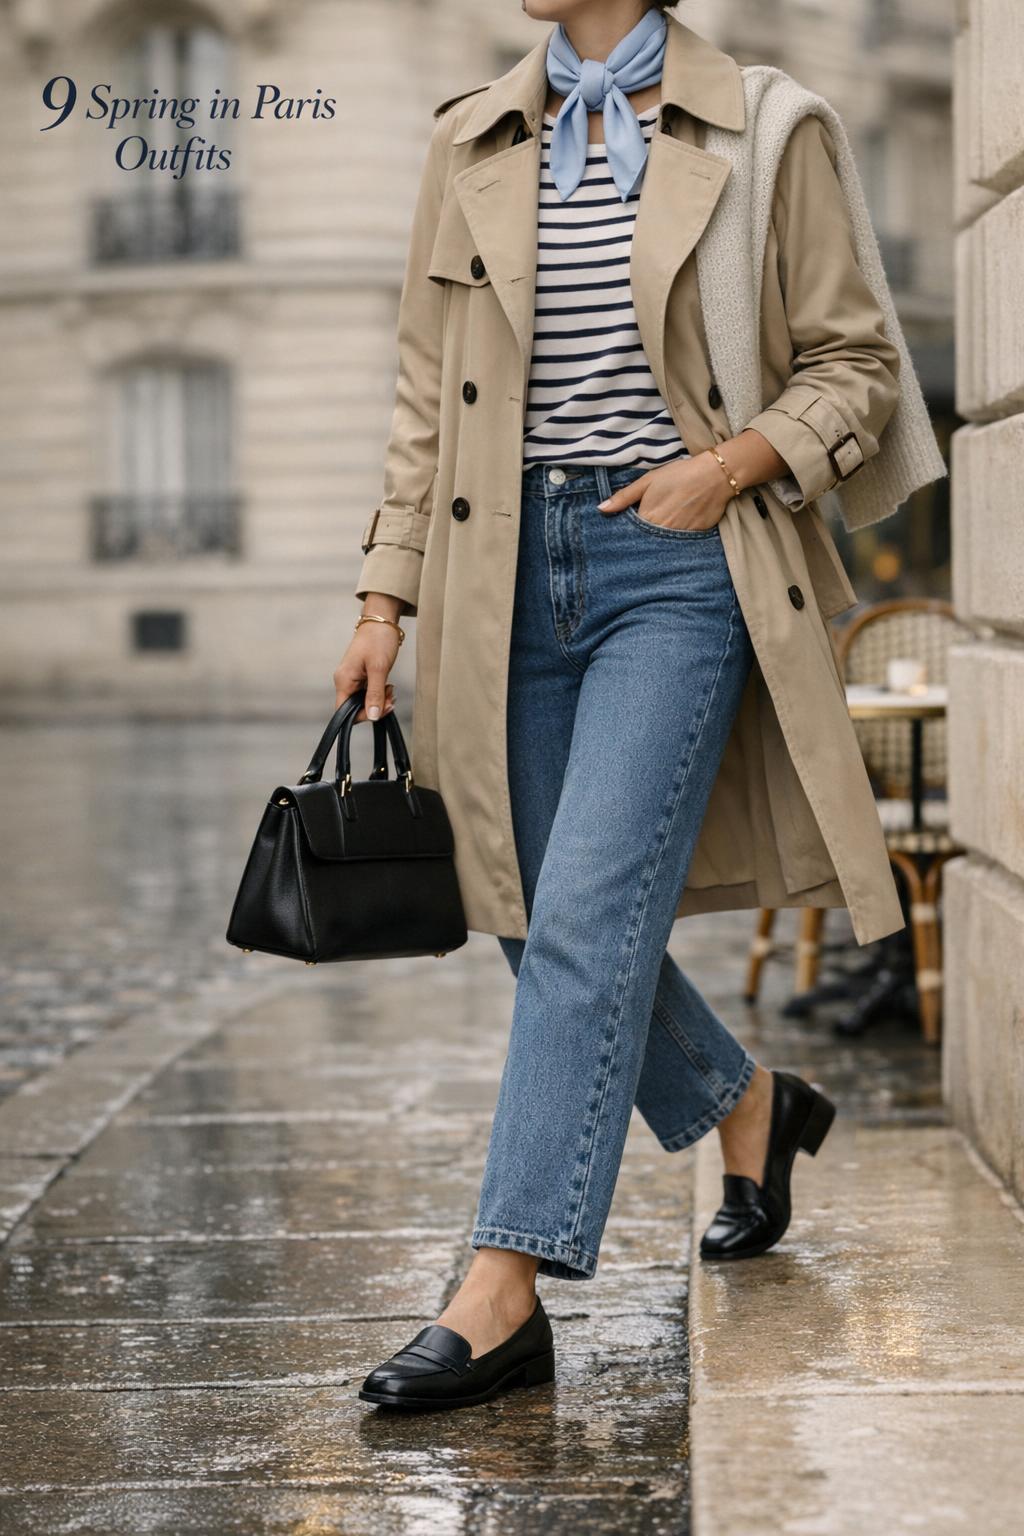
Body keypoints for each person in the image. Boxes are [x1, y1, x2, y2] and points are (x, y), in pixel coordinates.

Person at [337, 1, 944, 1411]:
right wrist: (383, 597)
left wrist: (723, 470)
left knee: (588, 915)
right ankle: (751, 1105)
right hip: (499, 569)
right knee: (526, 907)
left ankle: (502, 1286)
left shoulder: (768, 124)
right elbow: (426, 397)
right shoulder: (473, 136)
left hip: (679, 563)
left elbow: (855, 367)